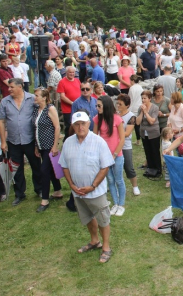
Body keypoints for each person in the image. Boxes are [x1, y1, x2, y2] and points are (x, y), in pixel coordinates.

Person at [59, 111, 115, 263]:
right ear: (72, 125)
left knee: (103, 219)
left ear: (89, 124)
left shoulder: (98, 142)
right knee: (88, 218)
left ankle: (106, 247)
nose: (80, 127)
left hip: (95, 192)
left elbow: (105, 167)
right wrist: (71, 185)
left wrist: (93, 185)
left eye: (83, 123)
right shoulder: (68, 142)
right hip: (77, 192)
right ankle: (94, 241)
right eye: (76, 124)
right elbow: (64, 166)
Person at [0, 78, 42, 206]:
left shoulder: (31, 99)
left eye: (12, 87)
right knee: (16, 168)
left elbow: (41, 111)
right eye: (9, 87)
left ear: (20, 87)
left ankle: (39, 189)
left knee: (36, 165)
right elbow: (1, 121)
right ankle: (19, 194)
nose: (9, 89)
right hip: (13, 141)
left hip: (29, 139)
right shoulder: (5, 102)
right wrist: (3, 141)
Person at [93, 96, 126, 217]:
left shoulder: (117, 119)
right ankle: (115, 204)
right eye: (96, 105)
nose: (97, 108)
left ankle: (121, 205)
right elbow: (95, 137)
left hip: (116, 155)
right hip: (104, 156)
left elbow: (122, 139)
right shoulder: (97, 119)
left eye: (99, 106)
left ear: (106, 106)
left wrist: (115, 154)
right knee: (110, 180)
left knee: (118, 180)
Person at [32, 88, 62, 212]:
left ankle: (45, 200)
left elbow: (57, 127)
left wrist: (55, 146)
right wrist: (36, 146)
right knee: (50, 170)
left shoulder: (50, 109)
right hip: (41, 145)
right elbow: (36, 129)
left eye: (37, 95)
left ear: (44, 97)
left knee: (44, 171)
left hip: (49, 146)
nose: (35, 97)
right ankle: (58, 191)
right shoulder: (36, 110)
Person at [116, 94, 140, 196]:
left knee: (129, 167)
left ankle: (135, 187)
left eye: (120, 104)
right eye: (117, 103)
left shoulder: (131, 117)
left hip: (125, 146)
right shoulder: (115, 115)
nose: (118, 106)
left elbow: (127, 133)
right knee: (115, 168)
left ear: (127, 105)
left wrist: (115, 133)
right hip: (115, 145)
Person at [136, 90, 162, 177]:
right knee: (147, 151)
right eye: (142, 98)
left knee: (155, 151)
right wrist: (142, 112)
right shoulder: (140, 108)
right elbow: (138, 122)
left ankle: (158, 169)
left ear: (150, 99)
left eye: (145, 98)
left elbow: (151, 121)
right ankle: (150, 168)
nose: (143, 100)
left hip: (153, 133)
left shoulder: (155, 108)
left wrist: (146, 112)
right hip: (144, 133)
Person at [166, 91, 183, 157]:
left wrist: (179, 130)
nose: (170, 99)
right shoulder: (173, 108)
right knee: (179, 154)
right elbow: (170, 118)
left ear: (175, 99)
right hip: (175, 136)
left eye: (171, 98)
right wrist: (169, 125)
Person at [57, 66, 81, 139]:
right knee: (69, 127)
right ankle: (67, 141)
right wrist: (72, 103)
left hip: (78, 108)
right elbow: (62, 96)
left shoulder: (77, 80)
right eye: (70, 72)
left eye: (73, 72)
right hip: (68, 109)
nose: (72, 74)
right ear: (66, 73)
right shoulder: (62, 82)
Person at [128, 75, 143, 145]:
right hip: (139, 107)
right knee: (138, 125)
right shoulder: (140, 87)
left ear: (132, 80)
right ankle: (139, 140)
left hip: (133, 108)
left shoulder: (132, 88)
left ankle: (137, 140)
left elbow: (130, 99)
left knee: (132, 124)